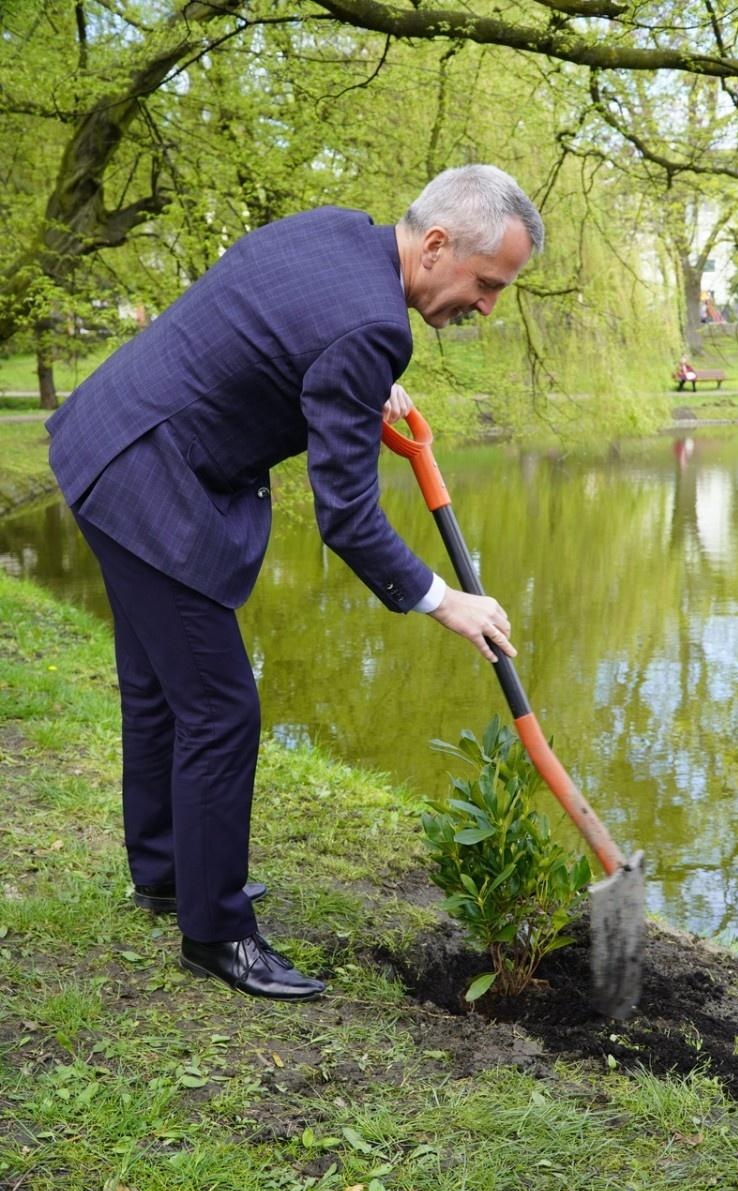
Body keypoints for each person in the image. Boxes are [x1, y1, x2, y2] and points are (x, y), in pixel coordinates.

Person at [46, 164, 545, 1001]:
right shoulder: (369, 328)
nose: (488, 306)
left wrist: (351, 382)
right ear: (433, 246)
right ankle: (216, 934)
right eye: (488, 283)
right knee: (219, 707)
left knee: (158, 689)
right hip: (147, 480)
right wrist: (443, 599)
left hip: (111, 436)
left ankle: (169, 875)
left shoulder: (339, 235)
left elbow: (285, 328)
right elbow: (347, 519)